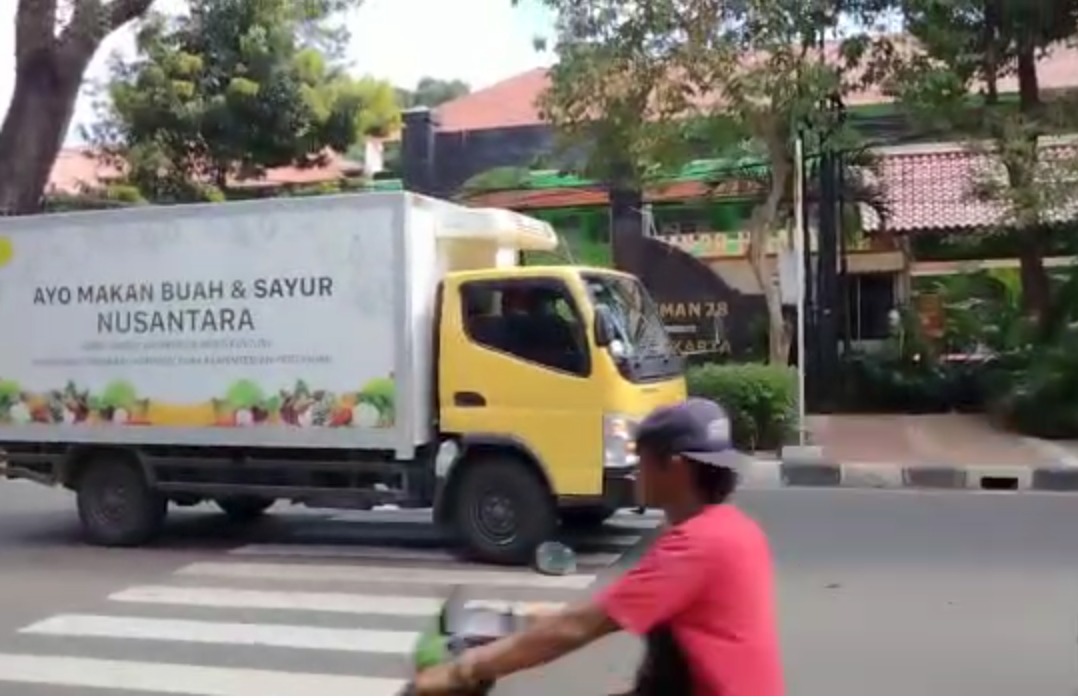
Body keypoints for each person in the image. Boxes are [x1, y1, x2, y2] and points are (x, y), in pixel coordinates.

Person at [411, 397, 785, 696]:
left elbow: (578, 628)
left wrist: (466, 669)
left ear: (674, 467)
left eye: (641, 460)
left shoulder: (696, 546)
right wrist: (503, 623)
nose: (637, 472)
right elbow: (603, 612)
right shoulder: (735, 530)